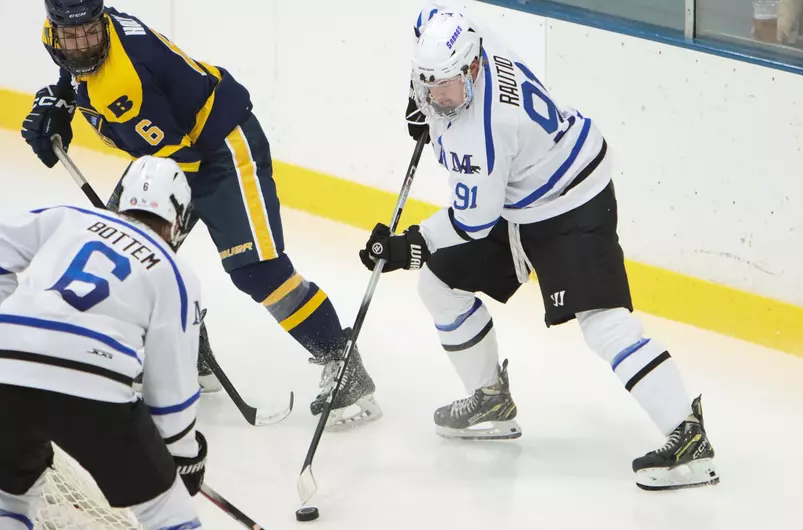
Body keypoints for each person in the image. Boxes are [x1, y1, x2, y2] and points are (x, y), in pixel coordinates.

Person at [359, 6, 719, 490]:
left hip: (572, 200)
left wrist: (408, 246)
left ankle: (688, 437)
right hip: (522, 198)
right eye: (431, 84)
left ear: (473, 68)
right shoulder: (470, 39)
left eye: (448, 86)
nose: (440, 98)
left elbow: (471, 223)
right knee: (440, 284)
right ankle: (490, 400)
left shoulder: (480, 133)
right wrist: (416, 96)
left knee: (603, 324)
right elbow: (429, 14)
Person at [20, 0, 380, 429]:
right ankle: (189, 354)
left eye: (89, 33)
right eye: (70, 36)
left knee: (258, 272)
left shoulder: (124, 81)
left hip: (222, 149)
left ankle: (344, 365)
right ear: (54, 29)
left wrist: (146, 229)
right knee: (123, 252)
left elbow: (177, 164)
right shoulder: (81, 32)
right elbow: (76, 71)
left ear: (101, 21)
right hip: (172, 148)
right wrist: (59, 98)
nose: (82, 45)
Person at [0, 157, 205, 529]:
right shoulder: (176, 272)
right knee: (168, 514)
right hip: (91, 386)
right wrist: (181, 454)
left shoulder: (69, 217)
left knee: (10, 497)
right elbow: (170, 383)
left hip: (4, 365)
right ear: (178, 220)